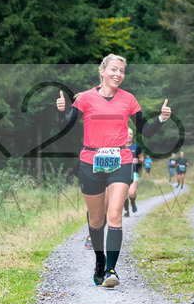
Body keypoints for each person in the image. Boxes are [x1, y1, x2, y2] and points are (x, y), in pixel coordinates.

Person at [57, 54, 172, 288]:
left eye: (121, 71)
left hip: (120, 159)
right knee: (97, 220)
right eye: (113, 70)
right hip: (91, 161)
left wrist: (161, 118)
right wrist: (60, 112)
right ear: (102, 71)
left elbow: (146, 131)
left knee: (115, 213)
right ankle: (100, 260)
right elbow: (66, 127)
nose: (118, 74)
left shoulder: (128, 99)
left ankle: (111, 269)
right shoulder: (86, 99)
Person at [124, 131, 142, 217]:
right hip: (123, 172)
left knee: (131, 193)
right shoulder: (120, 147)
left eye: (131, 134)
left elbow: (142, 158)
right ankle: (127, 212)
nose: (129, 136)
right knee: (124, 194)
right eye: (127, 134)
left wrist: (138, 160)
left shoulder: (136, 147)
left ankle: (133, 202)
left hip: (134, 172)